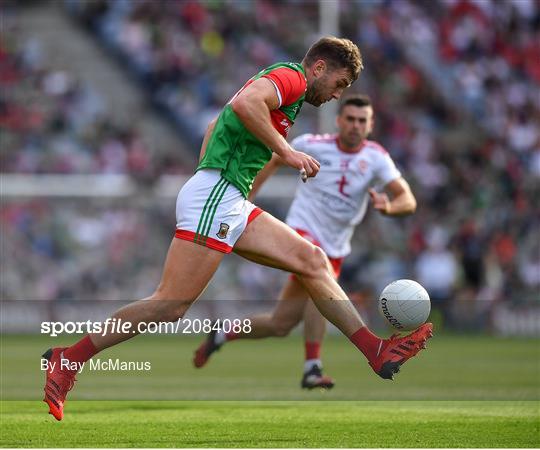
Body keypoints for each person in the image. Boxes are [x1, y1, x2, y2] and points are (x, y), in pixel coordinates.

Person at [42, 37, 432, 421]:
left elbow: (217, 122)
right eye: (340, 83)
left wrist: (214, 170)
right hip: (217, 195)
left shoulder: (287, 90)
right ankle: (68, 359)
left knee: (313, 261)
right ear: (319, 68)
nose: (337, 94)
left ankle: (375, 351)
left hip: (228, 197)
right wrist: (283, 152)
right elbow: (245, 105)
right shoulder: (292, 78)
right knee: (170, 304)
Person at [192, 95, 419, 389]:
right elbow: (275, 157)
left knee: (281, 324)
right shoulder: (313, 144)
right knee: (317, 269)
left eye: (362, 121)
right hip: (303, 233)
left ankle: (222, 333)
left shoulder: (376, 158)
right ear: (339, 121)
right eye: (350, 119)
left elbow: (407, 199)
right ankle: (313, 367)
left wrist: (389, 206)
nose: (355, 125)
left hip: (337, 245)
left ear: (371, 124)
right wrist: (244, 199)